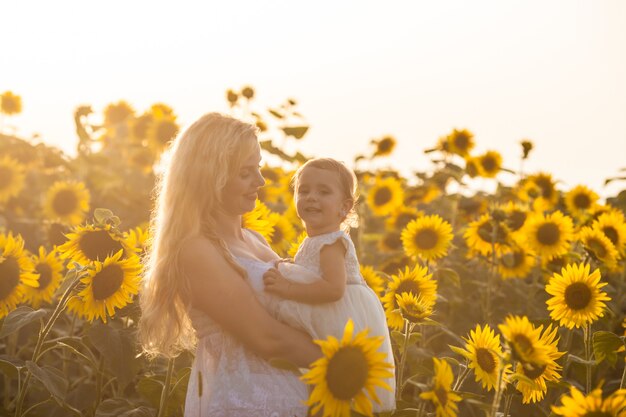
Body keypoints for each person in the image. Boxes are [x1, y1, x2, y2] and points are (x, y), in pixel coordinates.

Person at [138, 112, 320, 417]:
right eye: (245, 173)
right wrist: (344, 363)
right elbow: (266, 337)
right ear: (210, 176)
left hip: (293, 399)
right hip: (244, 403)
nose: (260, 181)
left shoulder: (255, 241)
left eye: (258, 168)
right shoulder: (195, 250)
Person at [262, 158, 396, 412]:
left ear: (344, 208)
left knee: (336, 381)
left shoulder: (332, 243)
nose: (312, 197)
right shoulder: (318, 240)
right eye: (304, 190)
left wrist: (287, 287)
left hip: (340, 315)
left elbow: (334, 289)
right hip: (329, 311)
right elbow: (315, 272)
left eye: (323, 192)